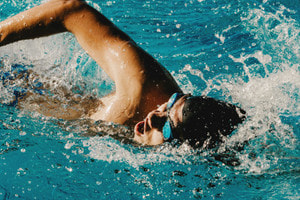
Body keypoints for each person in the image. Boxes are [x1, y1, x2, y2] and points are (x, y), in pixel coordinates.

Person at [0, 0, 246, 148]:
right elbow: (71, 9)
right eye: (171, 103)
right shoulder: (142, 87)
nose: (155, 115)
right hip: (12, 89)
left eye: (170, 126)